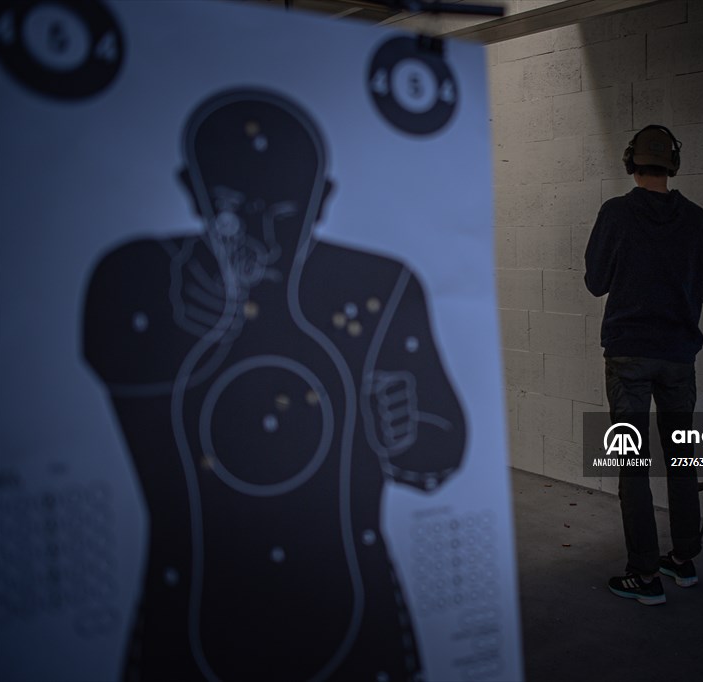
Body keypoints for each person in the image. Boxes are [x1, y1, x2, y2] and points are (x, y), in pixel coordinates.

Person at [83, 88, 466, 680]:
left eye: (284, 214)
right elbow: (117, 355)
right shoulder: (143, 278)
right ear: (193, 191)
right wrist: (182, 325)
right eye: (234, 207)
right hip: (193, 619)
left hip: (353, 611)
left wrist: (403, 435)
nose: (260, 238)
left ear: (323, 200)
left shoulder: (380, 286)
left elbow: (443, 445)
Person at [584, 124, 703, 606]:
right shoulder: (700, 220)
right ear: (673, 165)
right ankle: (683, 560)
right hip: (680, 358)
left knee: (632, 466)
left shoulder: (616, 214)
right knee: (682, 460)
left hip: (629, 358)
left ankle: (644, 576)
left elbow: (595, 282)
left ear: (630, 161)